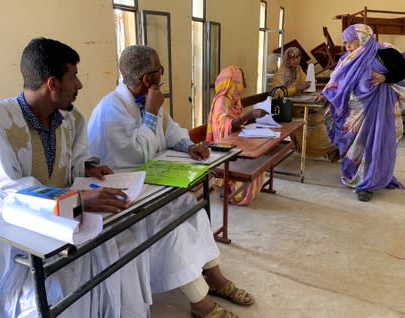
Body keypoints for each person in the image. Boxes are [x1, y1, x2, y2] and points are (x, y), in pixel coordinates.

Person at [0, 38, 152, 317]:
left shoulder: (71, 120)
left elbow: (72, 161)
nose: (80, 85)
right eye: (74, 77)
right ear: (53, 83)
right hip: (14, 243)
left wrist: (88, 169)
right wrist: (77, 199)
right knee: (60, 287)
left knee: (126, 248)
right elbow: (5, 192)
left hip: (66, 226)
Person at [88, 45, 255, 318]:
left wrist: (188, 146)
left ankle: (215, 278)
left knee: (192, 209)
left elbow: (171, 131)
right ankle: (200, 303)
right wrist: (152, 114)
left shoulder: (145, 101)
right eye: (160, 71)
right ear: (147, 79)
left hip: (150, 187)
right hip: (123, 198)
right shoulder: (111, 110)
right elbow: (137, 154)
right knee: (172, 230)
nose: (162, 76)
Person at [317, 24, 405, 202]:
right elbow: (337, 79)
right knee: (355, 146)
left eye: (351, 42)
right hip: (355, 112)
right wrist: (325, 94)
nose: (348, 47)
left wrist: (385, 77)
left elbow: (403, 70)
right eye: (346, 43)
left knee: (378, 143)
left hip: (380, 108)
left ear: (364, 39)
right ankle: (354, 176)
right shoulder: (348, 59)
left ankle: (369, 183)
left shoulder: (386, 53)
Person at [206, 65, 267, 205]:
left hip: (234, 141)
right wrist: (248, 115)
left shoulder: (233, 99)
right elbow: (223, 126)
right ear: (231, 82)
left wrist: (250, 118)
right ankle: (232, 191)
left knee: (259, 158)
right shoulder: (222, 100)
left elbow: (234, 122)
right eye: (239, 81)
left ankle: (239, 191)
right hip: (223, 148)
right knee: (253, 160)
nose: (242, 85)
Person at [271, 47, 339, 161]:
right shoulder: (281, 72)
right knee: (314, 121)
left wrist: (310, 83)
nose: (296, 60)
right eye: (293, 58)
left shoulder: (298, 69)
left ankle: (328, 148)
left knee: (321, 116)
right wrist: (296, 88)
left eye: (298, 57)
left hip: (298, 105)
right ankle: (322, 149)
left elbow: (304, 83)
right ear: (287, 58)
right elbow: (276, 93)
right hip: (285, 109)